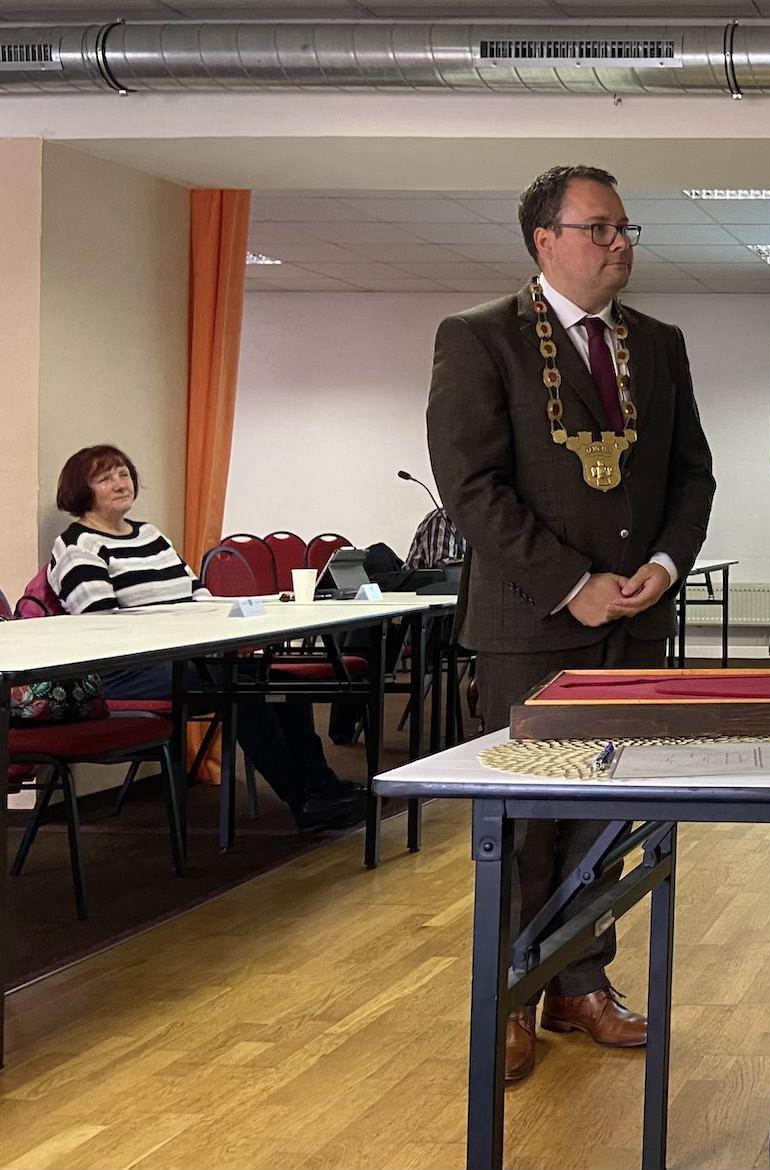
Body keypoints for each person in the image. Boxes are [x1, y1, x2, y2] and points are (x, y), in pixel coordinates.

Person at [427, 163, 716, 1085]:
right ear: (544, 240)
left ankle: (579, 983)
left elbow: (691, 477)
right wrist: (571, 583)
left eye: (626, 226)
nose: (620, 241)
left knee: (603, 819)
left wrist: (662, 567)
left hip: (632, 623)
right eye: (599, 228)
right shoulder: (479, 340)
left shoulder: (658, 344)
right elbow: (472, 488)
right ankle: (512, 993)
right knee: (523, 823)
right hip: (531, 624)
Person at [45, 444, 361, 831]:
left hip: (186, 656)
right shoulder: (78, 546)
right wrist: (186, 637)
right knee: (239, 686)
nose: (119, 483)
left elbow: (199, 595)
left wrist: (226, 636)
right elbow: (102, 627)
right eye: (104, 477)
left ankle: (322, 787)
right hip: (125, 669)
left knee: (281, 682)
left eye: (124, 473)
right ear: (82, 490)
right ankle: (304, 802)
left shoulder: (151, 535)